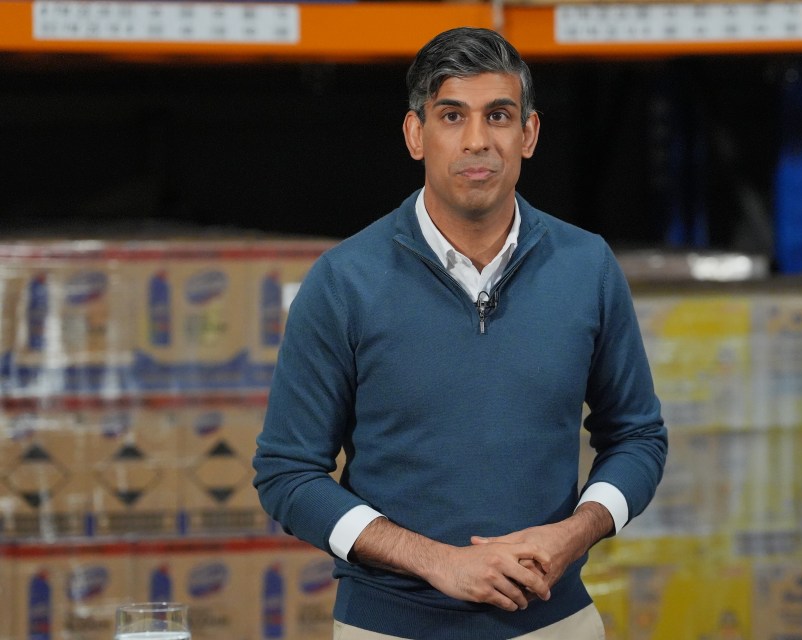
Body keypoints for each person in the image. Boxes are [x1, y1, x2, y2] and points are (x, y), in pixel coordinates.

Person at [253, 26, 667, 640]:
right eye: (453, 115)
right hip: (387, 628)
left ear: (528, 133)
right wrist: (440, 562)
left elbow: (638, 437)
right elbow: (288, 475)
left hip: (555, 624)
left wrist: (575, 532)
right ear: (416, 134)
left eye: (498, 115)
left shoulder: (588, 268)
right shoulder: (344, 282)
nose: (478, 140)